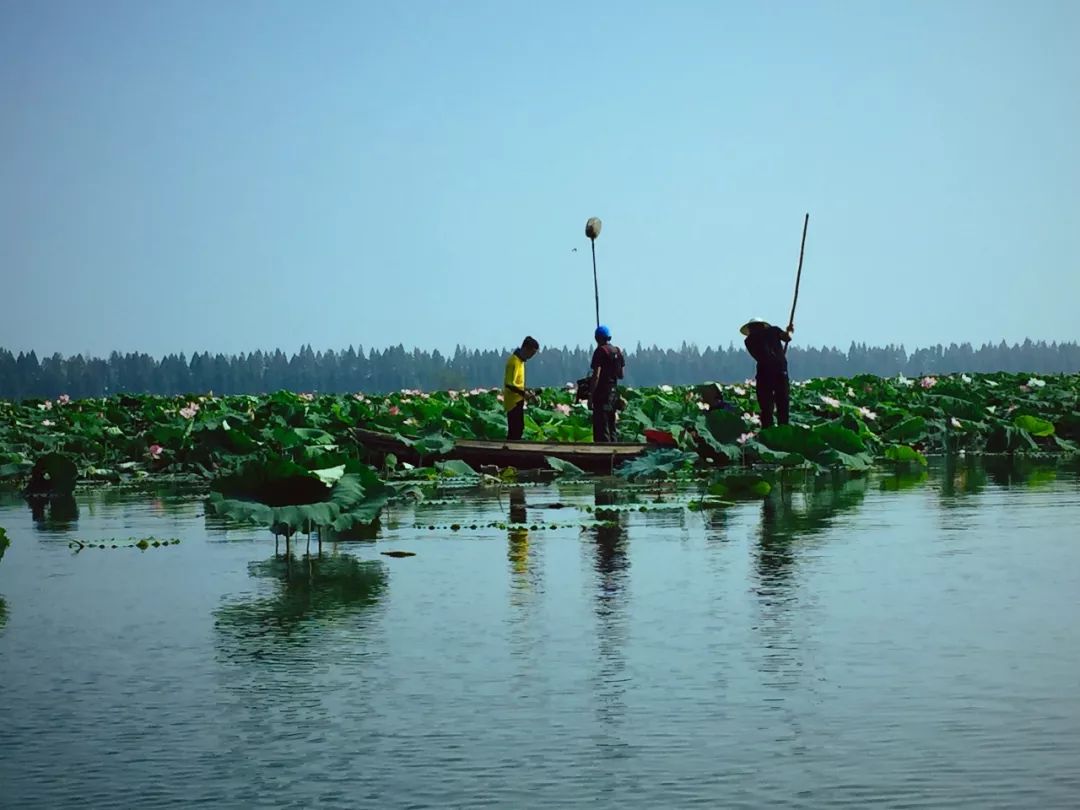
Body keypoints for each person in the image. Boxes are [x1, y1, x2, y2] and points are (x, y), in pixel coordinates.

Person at [741, 317, 794, 428]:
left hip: (766, 373)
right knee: (782, 404)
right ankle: (782, 429)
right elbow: (787, 338)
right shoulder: (773, 331)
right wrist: (789, 332)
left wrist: (788, 332)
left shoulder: (749, 341)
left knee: (767, 407)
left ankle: (768, 431)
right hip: (778, 370)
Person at [588, 324, 625, 442]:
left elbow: (596, 375)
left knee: (601, 428)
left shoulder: (600, 351)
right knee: (611, 425)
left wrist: (591, 395)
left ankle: (603, 455)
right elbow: (621, 375)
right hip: (613, 393)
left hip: (601, 394)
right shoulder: (617, 351)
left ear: (597, 338)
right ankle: (615, 451)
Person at [504, 336, 539, 440]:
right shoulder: (513, 361)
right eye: (532, 353)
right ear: (526, 349)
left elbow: (518, 384)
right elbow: (509, 384)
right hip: (512, 401)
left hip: (518, 399)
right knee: (515, 429)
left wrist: (528, 391)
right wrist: (524, 393)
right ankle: (510, 452)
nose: (532, 356)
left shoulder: (521, 362)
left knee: (519, 428)